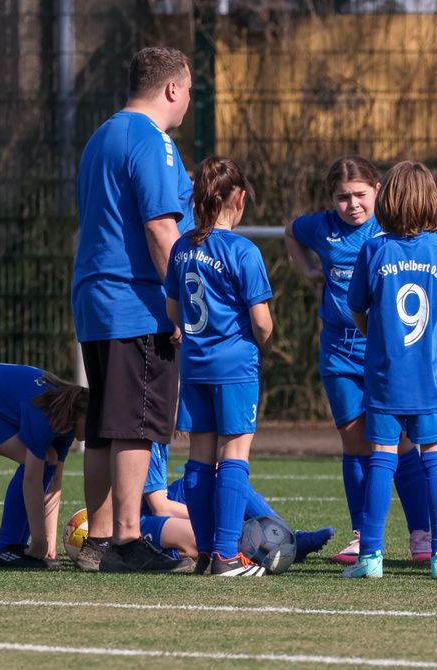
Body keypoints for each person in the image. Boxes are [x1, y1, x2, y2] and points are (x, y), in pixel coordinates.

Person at [284, 155, 437, 565]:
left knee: (397, 446)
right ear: (332, 199)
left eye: (360, 195)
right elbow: (290, 230)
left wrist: (431, 265)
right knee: (356, 442)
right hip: (340, 350)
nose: (352, 205)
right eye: (342, 198)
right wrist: (307, 270)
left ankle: (420, 534)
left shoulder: (393, 229)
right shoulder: (322, 228)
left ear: (379, 191)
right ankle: (362, 535)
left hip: (389, 353)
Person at [72, 47, 194, 573]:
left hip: (94, 297)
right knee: (135, 424)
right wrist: (187, 306)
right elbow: (161, 228)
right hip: (137, 301)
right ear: (171, 89)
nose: (190, 101)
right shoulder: (153, 141)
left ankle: (98, 541)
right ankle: (126, 540)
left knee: (103, 422)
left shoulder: (102, 135)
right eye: (189, 90)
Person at [344, 160, 437, 579]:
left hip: (384, 375)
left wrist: (379, 335)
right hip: (429, 376)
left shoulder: (373, 249)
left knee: (381, 460)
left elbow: (357, 309)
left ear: (387, 201)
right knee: (435, 461)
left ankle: (371, 558)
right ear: (431, 201)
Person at [165, 155, 274, 576]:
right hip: (234, 367)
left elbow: (173, 309)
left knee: (198, 458)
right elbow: (261, 322)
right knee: (233, 455)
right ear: (240, 198)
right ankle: (228, 556)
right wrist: (258, 341)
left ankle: (208, 552)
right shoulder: (243, 251)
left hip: (194, 365)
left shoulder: (181, 247)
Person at [139, 442, 335, 566]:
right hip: (140, 519)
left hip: (159, 504)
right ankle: (169, 551)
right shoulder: (144, 433)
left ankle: (289, 537)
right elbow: (161, 507)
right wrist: (230, 523)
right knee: (205, 536)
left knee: (217, 477)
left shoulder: (157, 432)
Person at [0, 364, 87, 569]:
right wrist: (38, 542)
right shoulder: (46, 414)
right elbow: (32, 480)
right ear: (82, 416)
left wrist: (49, 543)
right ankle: (7, 550)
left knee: (48, 459)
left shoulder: (66, 420)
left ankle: (13, 548)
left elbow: (54, 483)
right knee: (36, 461)